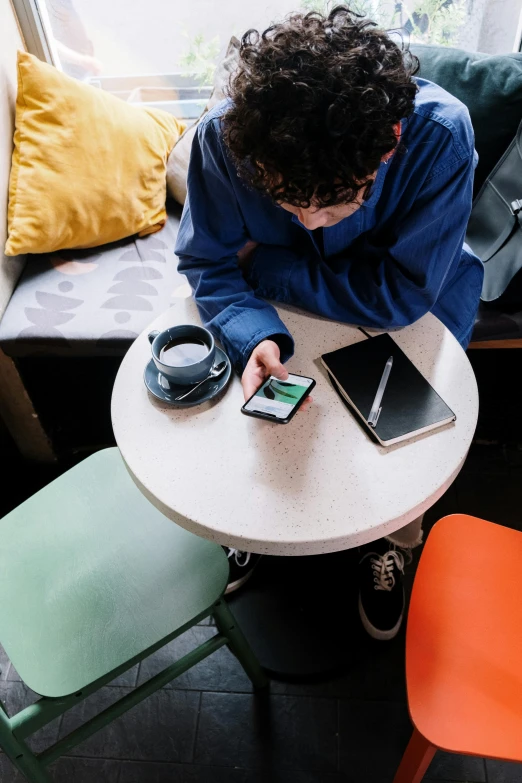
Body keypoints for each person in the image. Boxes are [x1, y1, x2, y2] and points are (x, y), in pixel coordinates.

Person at [175, 7, 483, 639]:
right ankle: (260, 527)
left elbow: (403, 294)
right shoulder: (222, 140)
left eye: (348, 198)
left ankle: (390, 537)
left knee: (403, 445)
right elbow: (206, 257)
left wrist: (271, 265)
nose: (315, 224)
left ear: (390, 142)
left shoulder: (441, 138)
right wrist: (254, 332)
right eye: (289, 203)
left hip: (417, 316)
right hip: (292, 307)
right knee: (271, 424)